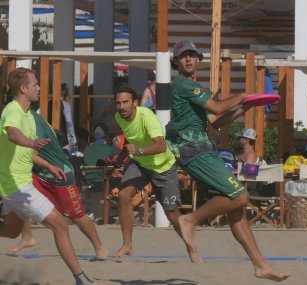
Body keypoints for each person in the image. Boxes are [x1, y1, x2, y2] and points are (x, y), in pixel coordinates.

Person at [166, 40, 289, 281]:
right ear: (176, 62)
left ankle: (260, 265)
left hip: (202, 150)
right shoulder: (182, 84)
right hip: (195, 151)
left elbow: (215, 121)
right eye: (183, 56)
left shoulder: (191, 86)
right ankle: (189, 220)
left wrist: (245, 108)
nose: (188, 59)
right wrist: (243, 96)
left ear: (198, 59)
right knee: (240, 196)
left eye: (192, 55)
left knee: (237, 208)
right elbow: (217, 106)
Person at [0, 68, 101, 285]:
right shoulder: (13, 111)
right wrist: (31, 142)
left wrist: (49, 165)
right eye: (35, 84)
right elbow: (13, 135)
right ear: (23, 88)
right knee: (59, 223)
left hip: (17, 184)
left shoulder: (28, 115)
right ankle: (82, 279)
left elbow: (29, 153)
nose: (39, 87)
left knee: (10, 231)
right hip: (16, 186)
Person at [113, 83, 202, 263]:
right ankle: (127, 244)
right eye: (118, 103)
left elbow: (161, 146)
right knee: (123, 195)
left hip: (163, 168)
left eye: (125, 102)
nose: (121, 106)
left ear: (135, 103)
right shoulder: (119, 116)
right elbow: (130, 136)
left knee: (172, 214)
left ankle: (191, 248)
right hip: (139, 164)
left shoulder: (147, 117)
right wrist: (122, 156)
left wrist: (136, 151)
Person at [7, 110, 108, 261]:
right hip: (37, 173)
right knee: (17, 195)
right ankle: (27, 237)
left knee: (77, 215)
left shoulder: (34, 123)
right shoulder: (16, 119)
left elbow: (32, 155)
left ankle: (100, 247)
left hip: (59, 175)